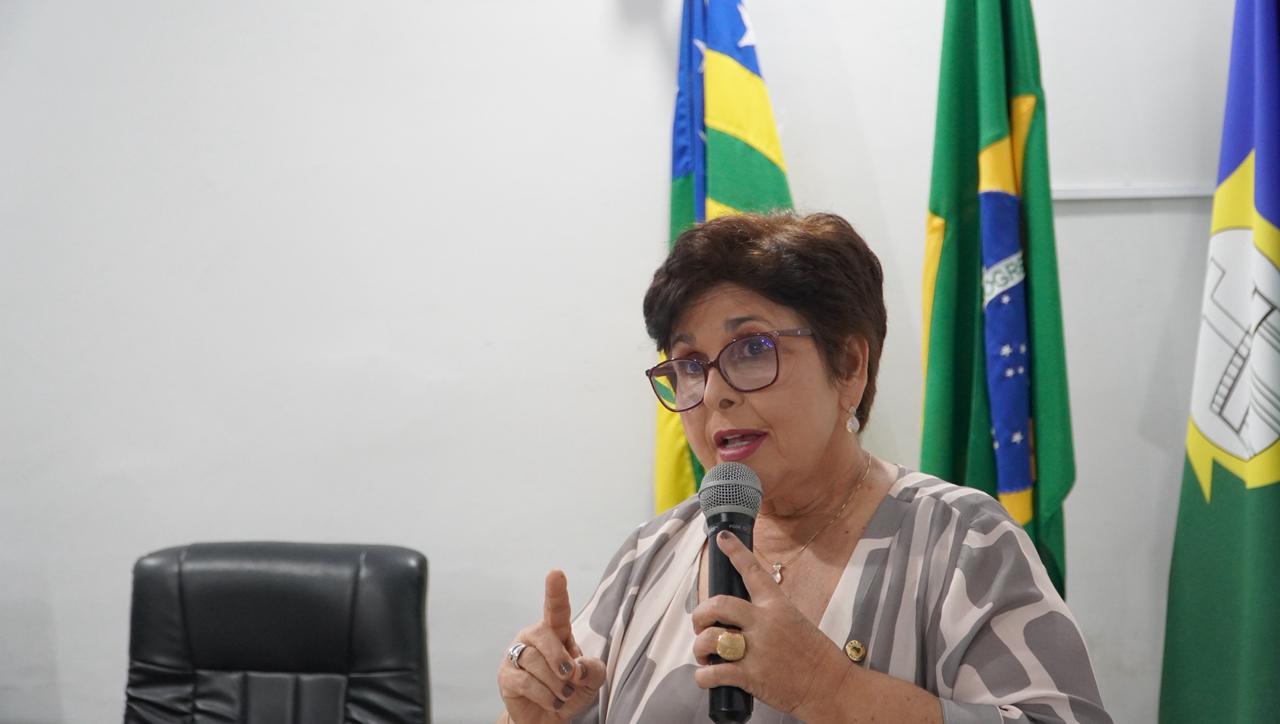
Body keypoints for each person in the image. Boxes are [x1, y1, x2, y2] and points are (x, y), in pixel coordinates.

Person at [496, 212, 1110, 723]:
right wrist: (536, 716)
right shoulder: (651, 555)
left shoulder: (960, 543)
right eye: (689, 364)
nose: (715, 394)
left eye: (752, 349)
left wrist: (831, 690)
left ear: (849, 366)